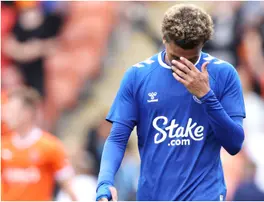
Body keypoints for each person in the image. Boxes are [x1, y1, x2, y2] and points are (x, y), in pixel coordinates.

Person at [96, 4, 246, 201]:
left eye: (191, 59)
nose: (182, 65)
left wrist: (206, 96)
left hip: (204, 195)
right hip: (153, 196)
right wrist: (104, 183)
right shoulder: (138, 76)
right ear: (164, 39)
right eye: (175, 57)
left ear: (203, 44)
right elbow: (117, 138)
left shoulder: (223, 74)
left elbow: (234, 144)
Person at [1, 87, 77, 201]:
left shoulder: (50, 146)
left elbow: (69, 186)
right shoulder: (3, 145)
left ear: (27, 113)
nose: (6, 116)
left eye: (12, 111)